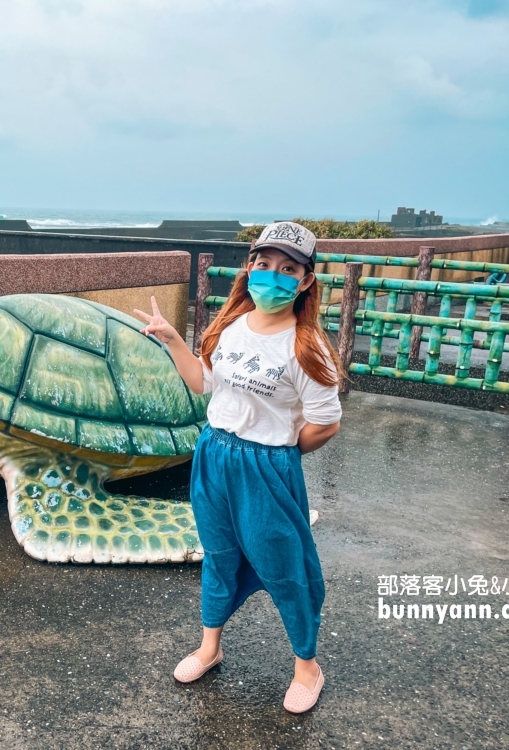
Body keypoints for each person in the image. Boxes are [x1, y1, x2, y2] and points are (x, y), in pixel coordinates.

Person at [132, 221, 342, 714]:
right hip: (214, 456)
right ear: (249, 268)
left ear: (306, 280)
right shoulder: (228, 327)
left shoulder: (307, 348)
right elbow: (204, 383)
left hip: (267, 466)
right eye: (264, 265)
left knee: (285, 563)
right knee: (219, 554)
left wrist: (280, 454)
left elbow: (325, 424)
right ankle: (210, 646)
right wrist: (171, 341)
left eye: (288, 269)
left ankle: (306, 666)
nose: (273, 276)